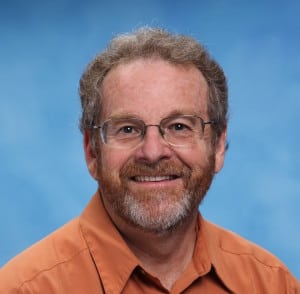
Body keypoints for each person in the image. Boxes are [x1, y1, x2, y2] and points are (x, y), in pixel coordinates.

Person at [1, 27, 299, 294]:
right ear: (92, 151)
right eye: (128, 129)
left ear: (218, 146)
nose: (153, 152)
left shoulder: (272, 284)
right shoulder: (23, 288)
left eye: (179, 127)